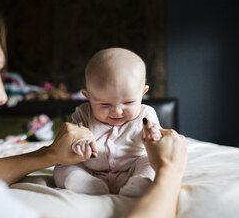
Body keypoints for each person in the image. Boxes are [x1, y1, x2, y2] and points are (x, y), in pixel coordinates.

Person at [0, 0, 187, 218]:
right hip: (93, 171)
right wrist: (169, 171)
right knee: (68, 172)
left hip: (131, 166)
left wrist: (48, 154)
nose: (4, 96)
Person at [54, 48, 162, 197]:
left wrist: (155, 136)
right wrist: (79, 145)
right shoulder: (83, 113)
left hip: (131, 170)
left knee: (149, 162)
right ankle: (83, 183)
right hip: (91, 171)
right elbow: (74, 137)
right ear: (88, 96)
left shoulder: (146, 115)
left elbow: (158, 144)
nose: (117, 111)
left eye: (129, 102)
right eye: (105, 104)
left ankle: (141, 183)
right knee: (62, 167)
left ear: (142, 93)